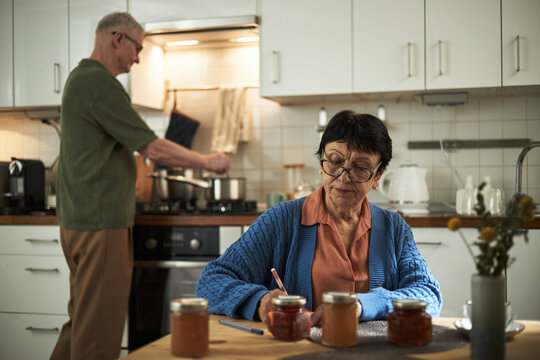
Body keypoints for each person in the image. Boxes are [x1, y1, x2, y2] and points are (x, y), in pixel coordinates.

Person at [51, 12, 230, 360]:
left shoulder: (79, 78)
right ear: (117, 38)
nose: (138, 57)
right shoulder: (100, 83)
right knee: (99, 332)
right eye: (138, 48)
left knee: (81, 324)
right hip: (101, 224)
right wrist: (207, 162)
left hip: (78, 222)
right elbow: (153, 147)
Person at [196, 110, 441, 325]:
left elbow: (428, 295)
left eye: (361, 168)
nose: (344, 177)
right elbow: (211, 281)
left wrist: (364, 305)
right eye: (334, 162)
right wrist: (259, 301)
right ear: (321, 162)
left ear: (378, 177)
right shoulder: (281, 220)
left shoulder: (393, 228)